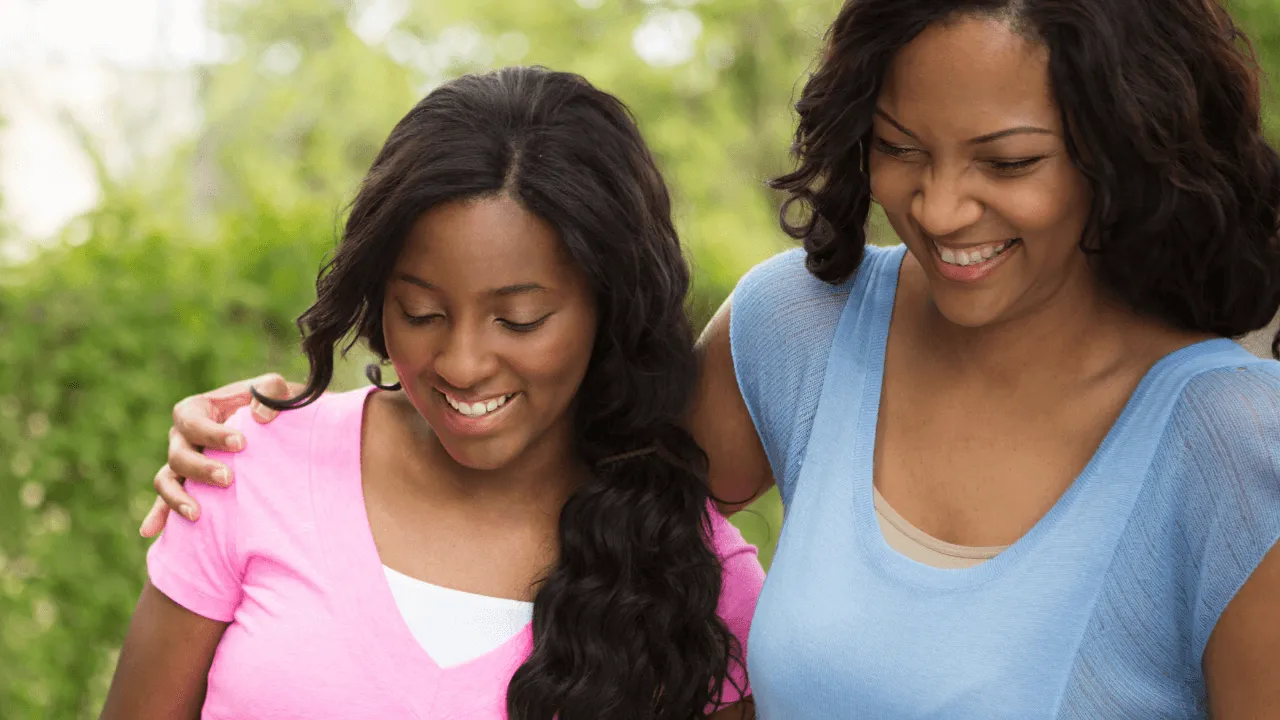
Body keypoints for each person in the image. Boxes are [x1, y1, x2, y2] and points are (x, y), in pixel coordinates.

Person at [149, 0, 1280, 717]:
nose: (937, 206)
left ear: (1125, 147)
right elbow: (564, 450)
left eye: (1006, 159)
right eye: (897, 150)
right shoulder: (800, 325)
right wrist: (288, 434)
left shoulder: (1231, 445)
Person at [102, 66, 762, 720]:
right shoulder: (249, 464)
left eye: (520, 321)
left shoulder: (687, 567)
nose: (463, 363)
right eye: (421, 312)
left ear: (609, 306)